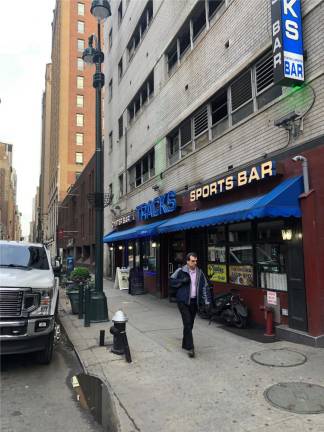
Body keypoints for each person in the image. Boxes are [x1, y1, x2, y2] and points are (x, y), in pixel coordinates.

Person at [171, 252, 211, 358]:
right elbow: (171, 281)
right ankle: (191, 348)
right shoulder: (180, 271)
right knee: (188, 323)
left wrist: (207, 302)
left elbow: (205, 287)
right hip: (183, 301)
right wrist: (181, 281)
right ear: (188, 261)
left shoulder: (200, 273)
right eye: (193, 261)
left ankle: (185, 343)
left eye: (196, 261)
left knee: (190, 324)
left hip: (194, 302)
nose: (195, 263)